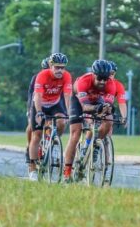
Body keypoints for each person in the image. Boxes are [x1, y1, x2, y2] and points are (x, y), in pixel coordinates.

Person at [63, 60, 116, 181]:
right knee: (75, 134)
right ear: (93, 74)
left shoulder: (111, 84)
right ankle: (67, 172)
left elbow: (108, 107)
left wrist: (107, 109)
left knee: (109, 120)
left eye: (105, 79)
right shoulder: (83, 81)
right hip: (79, 102)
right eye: (100, 79)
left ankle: (95, 146)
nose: (103, 82)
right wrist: (98, 109)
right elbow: (85, 108)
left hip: (97, 101)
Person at [27, 53, 72, 181]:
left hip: (55, 104)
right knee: (36, 135)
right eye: (57, 67)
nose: (60, 70)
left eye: (62, 67)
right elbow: (37, 96)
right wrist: (39, 112)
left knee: (62, 122)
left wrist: (67, 113)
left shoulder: (67, 76)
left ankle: (54, 141)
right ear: (50, 66)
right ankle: (32, 169)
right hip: (40, 104)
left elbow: (67, 96)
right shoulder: (42, 75)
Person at [25, 57, 51, 164]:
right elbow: (31, 95)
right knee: (32, 126)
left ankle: (48, 143)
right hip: (36, 103)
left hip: (50, 104)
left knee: (50, 124)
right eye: (45, 69)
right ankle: (29, 145)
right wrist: (30, 110)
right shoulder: (36, 78)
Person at [108, 61, 128, 126]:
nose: (110, 75)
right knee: (91, 129)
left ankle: (107, 136)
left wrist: (124, 117)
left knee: (109, 126)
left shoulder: (118, 85)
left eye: (112, 73)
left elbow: (122, 103)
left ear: (115, 73)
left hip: (107, 108)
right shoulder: (99, 82)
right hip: (94, 106)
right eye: (108, 72)